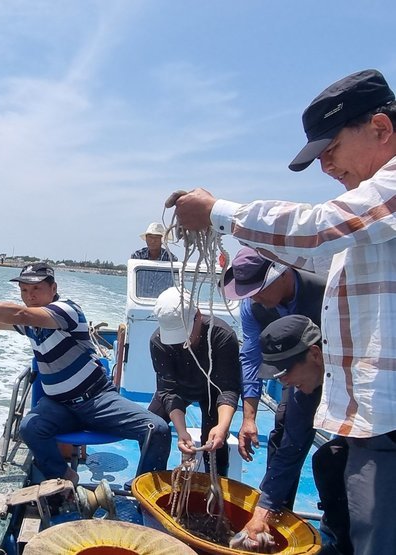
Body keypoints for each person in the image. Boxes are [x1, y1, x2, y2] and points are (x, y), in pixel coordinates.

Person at [169, 69, 396, 554]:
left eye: (331, 149)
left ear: (380, 128)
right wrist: (250, 414)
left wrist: (217, 213)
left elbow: (318, 230)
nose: (326, 168)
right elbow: (313, 248)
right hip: (366, 419)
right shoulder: (372, 223)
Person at [0, 262, 171, 485]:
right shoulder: (31, 321)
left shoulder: (66, 310)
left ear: (53, 288)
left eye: (36, 288)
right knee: (29, 428)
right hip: (59, 405)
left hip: (97, 400)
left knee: (157, 429)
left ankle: (144, 488)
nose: (30, 295)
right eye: (24, 290)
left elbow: (20, 315)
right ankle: (65, 476)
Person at [223, 247, 326, 509]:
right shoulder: (252, 306)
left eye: (258, 289)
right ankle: (278, 509)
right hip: (298, 373)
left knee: (328, 454)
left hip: (334, 367)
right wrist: (248, 418)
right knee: (282, 426)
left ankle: (270, 507)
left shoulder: (326, 294)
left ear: (281, 272)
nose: (254, 299)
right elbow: (250, 357)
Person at [238, 315, 351, 554]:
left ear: (315, 354)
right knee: (326, 460)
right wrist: (261, 514)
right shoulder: (301, 393)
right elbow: (291, 451)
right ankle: (340, 541)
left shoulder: (354, 371)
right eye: (277, 375)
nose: (284, 380)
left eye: (285, 370)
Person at [149, 287, 240, 476]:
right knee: (152, 428)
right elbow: (168, 390)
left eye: (186, 333)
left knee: (214, 444)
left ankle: (215, 489)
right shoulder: (158, 341)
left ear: (198, 315)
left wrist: (222, 428)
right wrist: (181, 432)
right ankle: (150, 479)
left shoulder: (222, 336)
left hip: (212, 391)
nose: (183, 342)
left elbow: (227, 388)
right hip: (179, 388)